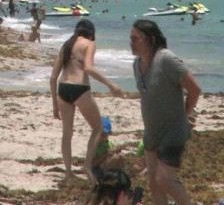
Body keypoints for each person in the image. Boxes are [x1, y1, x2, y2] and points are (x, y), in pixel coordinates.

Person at [130, 19, 200, 205]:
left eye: (136, 39)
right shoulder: (136, 65)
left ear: (151, 39)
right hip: (152, 134)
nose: (131, 43)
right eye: (130, 38)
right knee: (153, 184)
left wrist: (185, 116)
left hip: (173, 133)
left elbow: (194, 89)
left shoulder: (166, 59)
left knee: (164, 180)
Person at [50, 19, 122, 183]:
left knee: (67, 133)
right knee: (97, 128)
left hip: (63, 89)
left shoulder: (66, 45)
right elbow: (88, 68)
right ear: (91, 33)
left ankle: (68, 173)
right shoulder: (89, 44)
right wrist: (111, 85)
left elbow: (53, 77)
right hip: (79, 89)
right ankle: (87, 166)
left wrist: (55, 105)